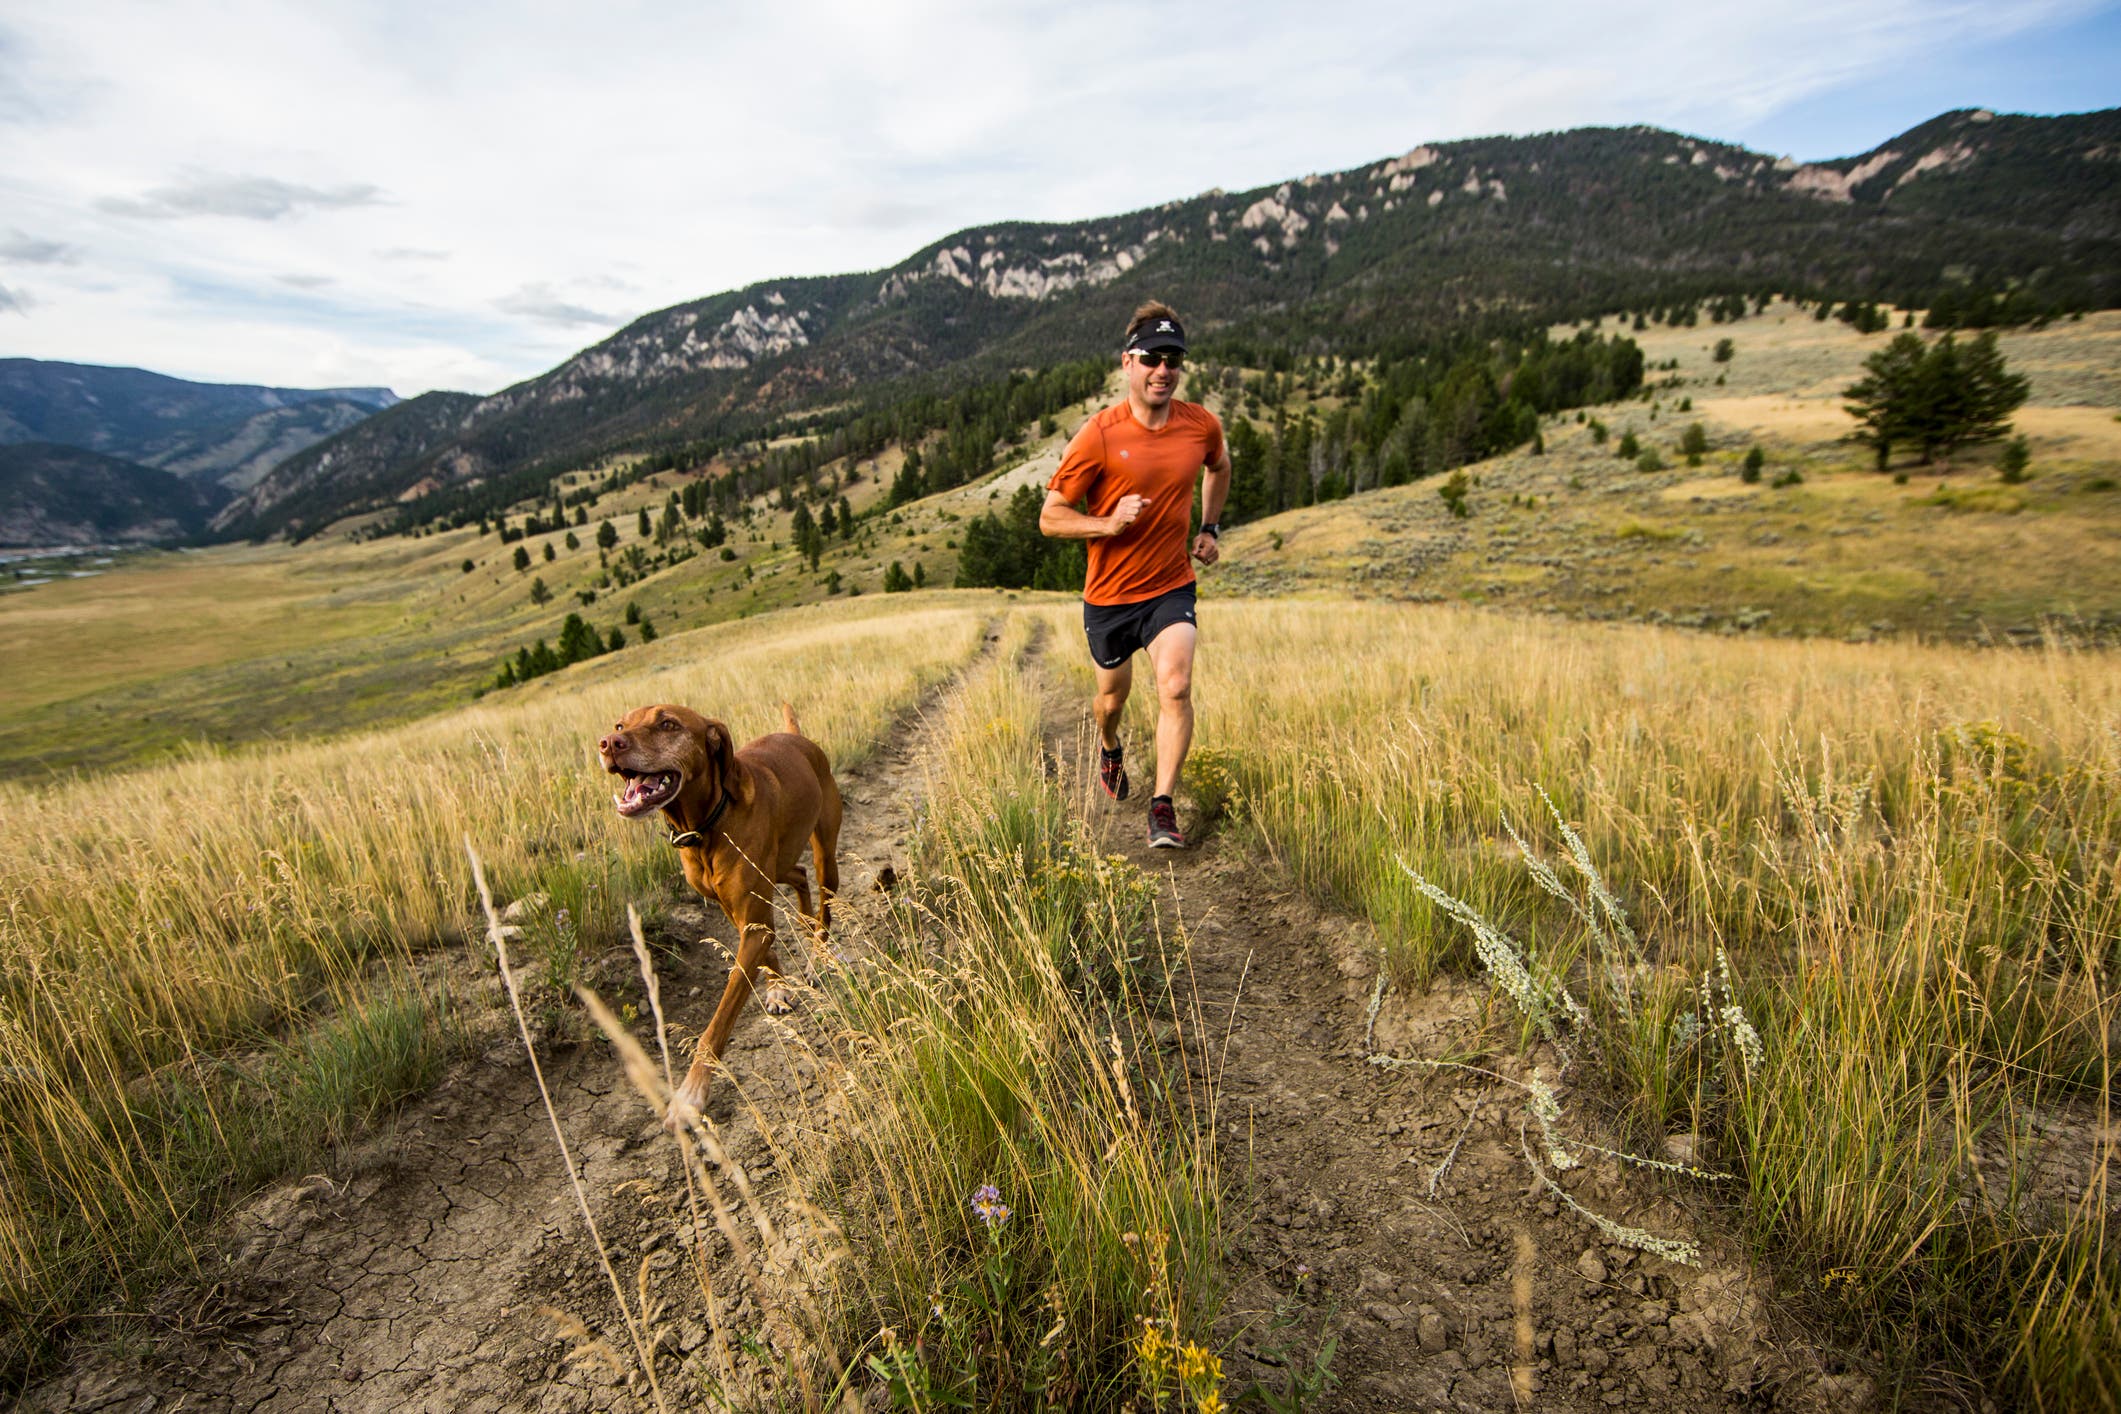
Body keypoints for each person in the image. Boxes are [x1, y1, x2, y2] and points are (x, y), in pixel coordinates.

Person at [1040, 301, 1231, 848]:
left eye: (1173, 359)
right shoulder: (1098, 434)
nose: (1163, 370)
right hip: (1109, 596)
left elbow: (1219, 466)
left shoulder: (1200, 426)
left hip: (1170, 585)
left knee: (1176, 686)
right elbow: (1050, 517)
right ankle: (1109, 746)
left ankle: (1162, 806)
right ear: (1128, 362)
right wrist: (1106, 523)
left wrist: (1210, 527)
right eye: (1151, 358)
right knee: (1111, 701)